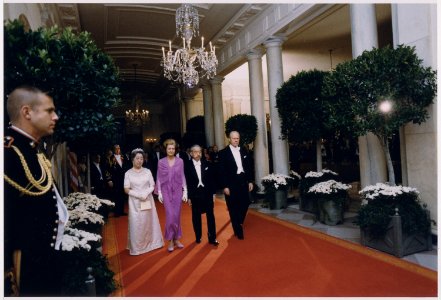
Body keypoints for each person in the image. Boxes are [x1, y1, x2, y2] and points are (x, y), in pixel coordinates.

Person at [4, 86, 69, 296]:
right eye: (49, 111)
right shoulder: (8, 154)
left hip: (43, 261)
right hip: (25, 268)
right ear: (26, 112)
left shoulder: (32, 150)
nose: (56, 116)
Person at [124, 148, 164, 255]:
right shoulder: (128, 173)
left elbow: (152, 185)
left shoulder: (147, 171)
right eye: (137, 158)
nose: (139, 160)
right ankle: (138, 247)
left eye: (141, 158)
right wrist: (138, 195)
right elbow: (126, 188)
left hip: (147, 199)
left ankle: (152, 243)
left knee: (148, 221)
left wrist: (146, 193)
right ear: (132, 159)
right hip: (134, 201)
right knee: (137, 223)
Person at [218, 131, 253, 240]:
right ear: (229, 139)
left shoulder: (243, 150)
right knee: (233, 206)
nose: (236, 140)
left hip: (242, 180)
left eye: (237, 138)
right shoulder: (223, 153)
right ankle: (238, 229)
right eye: (234, 138)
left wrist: (250, 181)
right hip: (231, 182)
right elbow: (221, 171)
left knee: (246, 202)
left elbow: (248, 166)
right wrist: (225, 186)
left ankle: (239, 221)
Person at [155, 139, 188, 252]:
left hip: (178, 190)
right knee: (170, 216)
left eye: (173, 148)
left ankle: (176, 239)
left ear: (175, 150)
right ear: (165, 149)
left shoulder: (180, 161)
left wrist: (185, 191)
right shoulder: (161, 162)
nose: (171, 150)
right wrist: (159, 192)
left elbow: (182, 175)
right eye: (169, 148)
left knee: (177, 216)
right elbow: (158, 177)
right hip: (165, 190)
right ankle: (170, 240)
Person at [184, 145, 219, 245]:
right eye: (195, 152)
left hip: (207, 193)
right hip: (195, 195)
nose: (198, 154)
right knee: (196, 216)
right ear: (191, 153)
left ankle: (212, 237)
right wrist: (189, 196)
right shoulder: (187, 166)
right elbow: (188, 182)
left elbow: (212, 180)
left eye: (199, 152)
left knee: (210, 216)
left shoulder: (207, 163)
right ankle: (198, 236)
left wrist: (213, 193)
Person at [109, 144, 129, 217]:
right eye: (116, 148)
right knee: (117, 196)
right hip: (116, 179)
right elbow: (109, 169)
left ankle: (121, 211)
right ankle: (116, 212)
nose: (118, 150)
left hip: (123, 179)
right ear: (113, 150)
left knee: (122, 195)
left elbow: (126, 167)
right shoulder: (111, 158)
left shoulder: (122, 157)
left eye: (119, 148)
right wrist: (110, 180)